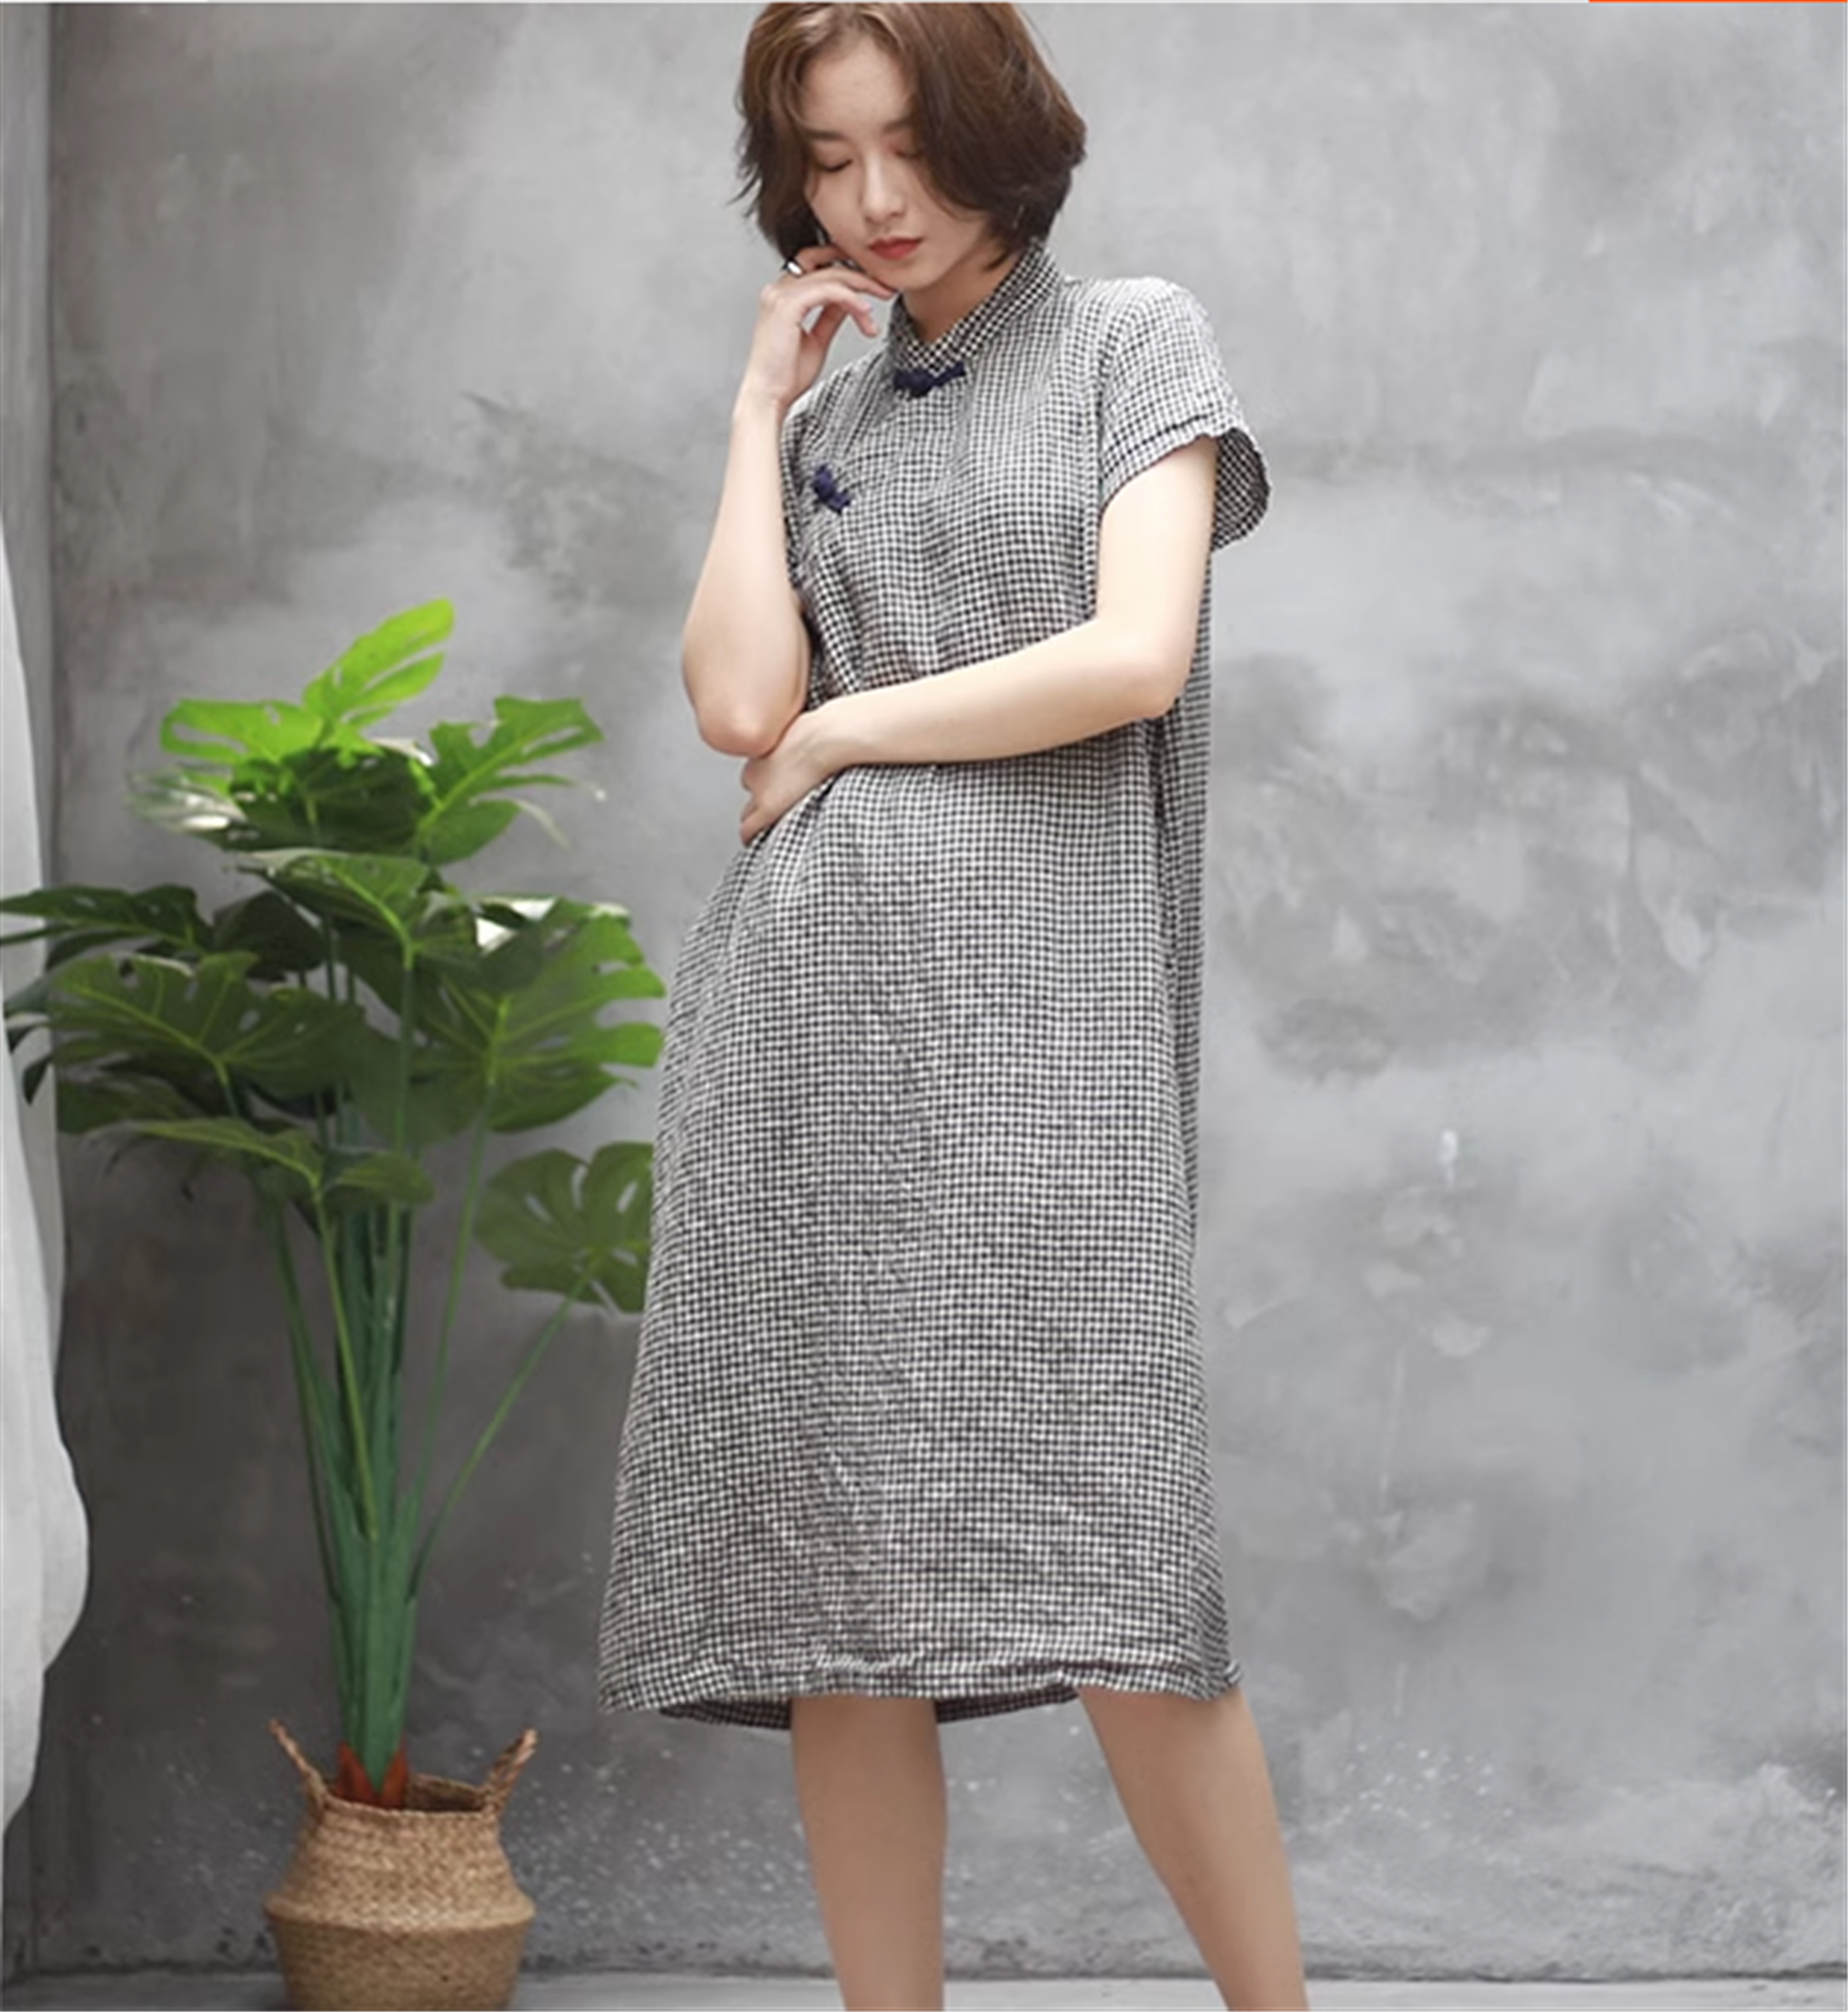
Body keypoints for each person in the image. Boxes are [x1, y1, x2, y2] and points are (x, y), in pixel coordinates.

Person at [596, 6, 1310, 2007]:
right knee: (843, 1602)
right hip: (811, 1039)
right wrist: (758, 409)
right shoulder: (829, 422)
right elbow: (737, 700)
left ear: (997, 127)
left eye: (906, 144)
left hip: (1039, 1051)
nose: (875, 199)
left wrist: (848, 734)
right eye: (828, 160)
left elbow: (1133, 657)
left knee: (1122, 1569)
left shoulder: (1132, 341)